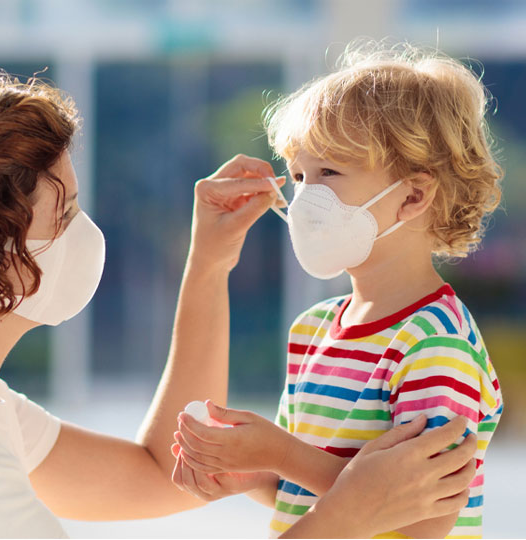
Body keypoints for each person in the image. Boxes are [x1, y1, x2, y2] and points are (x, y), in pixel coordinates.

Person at [0, 67, 475, 539]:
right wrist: (346, 515)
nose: (87, 233)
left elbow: (161, 475)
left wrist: (208, 266)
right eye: (64, 213)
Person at [172, 43, 503, 538]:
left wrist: (277, 453)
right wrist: (248, 474)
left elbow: (426, 515)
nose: (304, 197)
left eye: (329, 173)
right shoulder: (313, 329)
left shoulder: (435, 345)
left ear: (413, 195)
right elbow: (308, 489)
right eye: (299, 175)